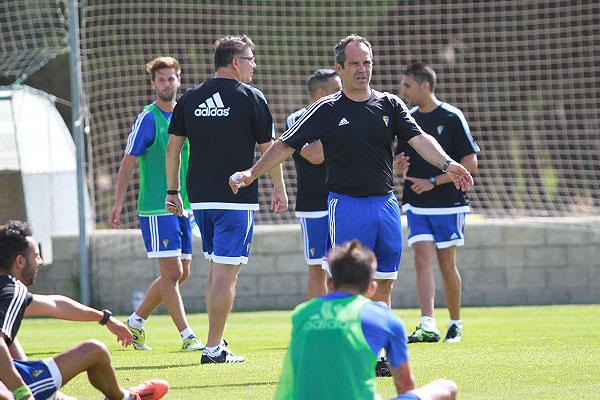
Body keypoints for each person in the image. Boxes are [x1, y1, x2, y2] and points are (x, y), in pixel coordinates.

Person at [229, 34, 473, 309]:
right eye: (355, 63)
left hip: (386, 205)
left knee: (384, 283)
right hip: (346, 206)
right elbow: (285, 144)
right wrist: (252, 173)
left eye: (366, 63)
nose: (362, 69)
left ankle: (377, 349)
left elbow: (419, 139)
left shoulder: (390, 105)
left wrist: (448, 164)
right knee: (349, 285)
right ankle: (346, 345)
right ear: (340, 67)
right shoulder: (326, 108)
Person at [165, 35, 287, 364]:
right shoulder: (251, 97)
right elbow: (270, 148)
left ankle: (214, 341)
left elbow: (173, 147)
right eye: (250, 58)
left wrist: (172, 191)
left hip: (200, 200)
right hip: (236, 197)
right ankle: (214, 348)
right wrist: (280, 187)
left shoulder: (190, 97)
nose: (254, 65)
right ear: (235, 62)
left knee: (216, 270)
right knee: (226, 274)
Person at [0, 220, 169, 400]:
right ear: (20, 261)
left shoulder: (7, 292)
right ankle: (127, 398)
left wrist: (104, 317)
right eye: (36, 256)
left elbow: (56, 305)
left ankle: (52, 395)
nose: (40, 262)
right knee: (95, 349)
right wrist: (22, 393)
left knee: (10, 336)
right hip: (10, 386)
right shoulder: (13, 290)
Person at [274, 239, 458, 400]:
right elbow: (404, 384)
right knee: (446, 387)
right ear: (371, 288)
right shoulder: (382, 316)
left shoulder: (302, 313)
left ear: (330, 283)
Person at [109, 56, 204, 352]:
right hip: (156, 207)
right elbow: (128, 161)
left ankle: (136, 322)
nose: (166, 84)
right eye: (161, 80)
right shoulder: (148, 118)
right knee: (173, 272)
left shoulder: (185, 114)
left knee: (181, 272)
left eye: (171, 78)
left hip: (185, 207)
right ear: (153, 84)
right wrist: (117, 203)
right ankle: (188, 336)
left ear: (178, 79)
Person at [395, 63, 479, 343]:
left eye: (407, 85)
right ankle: (427, 323)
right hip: (416, 203)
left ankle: (455, 323)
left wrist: (433, 181)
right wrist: (398, 165)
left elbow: (470, 162)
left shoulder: (452, 116)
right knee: (421, 260)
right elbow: (400, 163)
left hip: (448, 203)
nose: (402, 90)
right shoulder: (407, 118)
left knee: (446, 263)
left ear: (425, 86)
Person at [286, 69, 342, 299]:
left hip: (343, 202)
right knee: (318, 268)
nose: (342, 94)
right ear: (321, 93)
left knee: (344, 268)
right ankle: (319, 323)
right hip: (313, 206)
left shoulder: (345, 114)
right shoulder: (296, 119)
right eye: (337, 90)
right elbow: (315, 155)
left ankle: (342, 320)